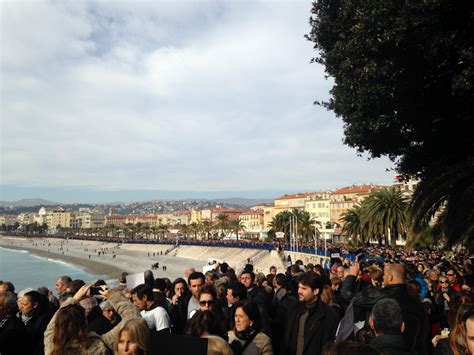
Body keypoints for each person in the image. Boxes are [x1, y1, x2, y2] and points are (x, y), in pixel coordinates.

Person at [43, 284, 139, 355]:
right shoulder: (99, 346)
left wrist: (74, 299)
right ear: (85, 323)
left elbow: (50, 328)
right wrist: (111, 295)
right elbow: (134, 319)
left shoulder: (51, 348)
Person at [281, 272, 339, 355]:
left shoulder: (329, 316)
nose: (299, 291)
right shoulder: (293, 309)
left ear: (315, 291)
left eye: (304, 288)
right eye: (299, 287)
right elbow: (285, 339)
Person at [17, 290, 51, 355]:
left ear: (35, 304)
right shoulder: (18, 317)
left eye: (25, 304)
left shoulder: (43, 320)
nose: (21, 307)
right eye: (21, 303)